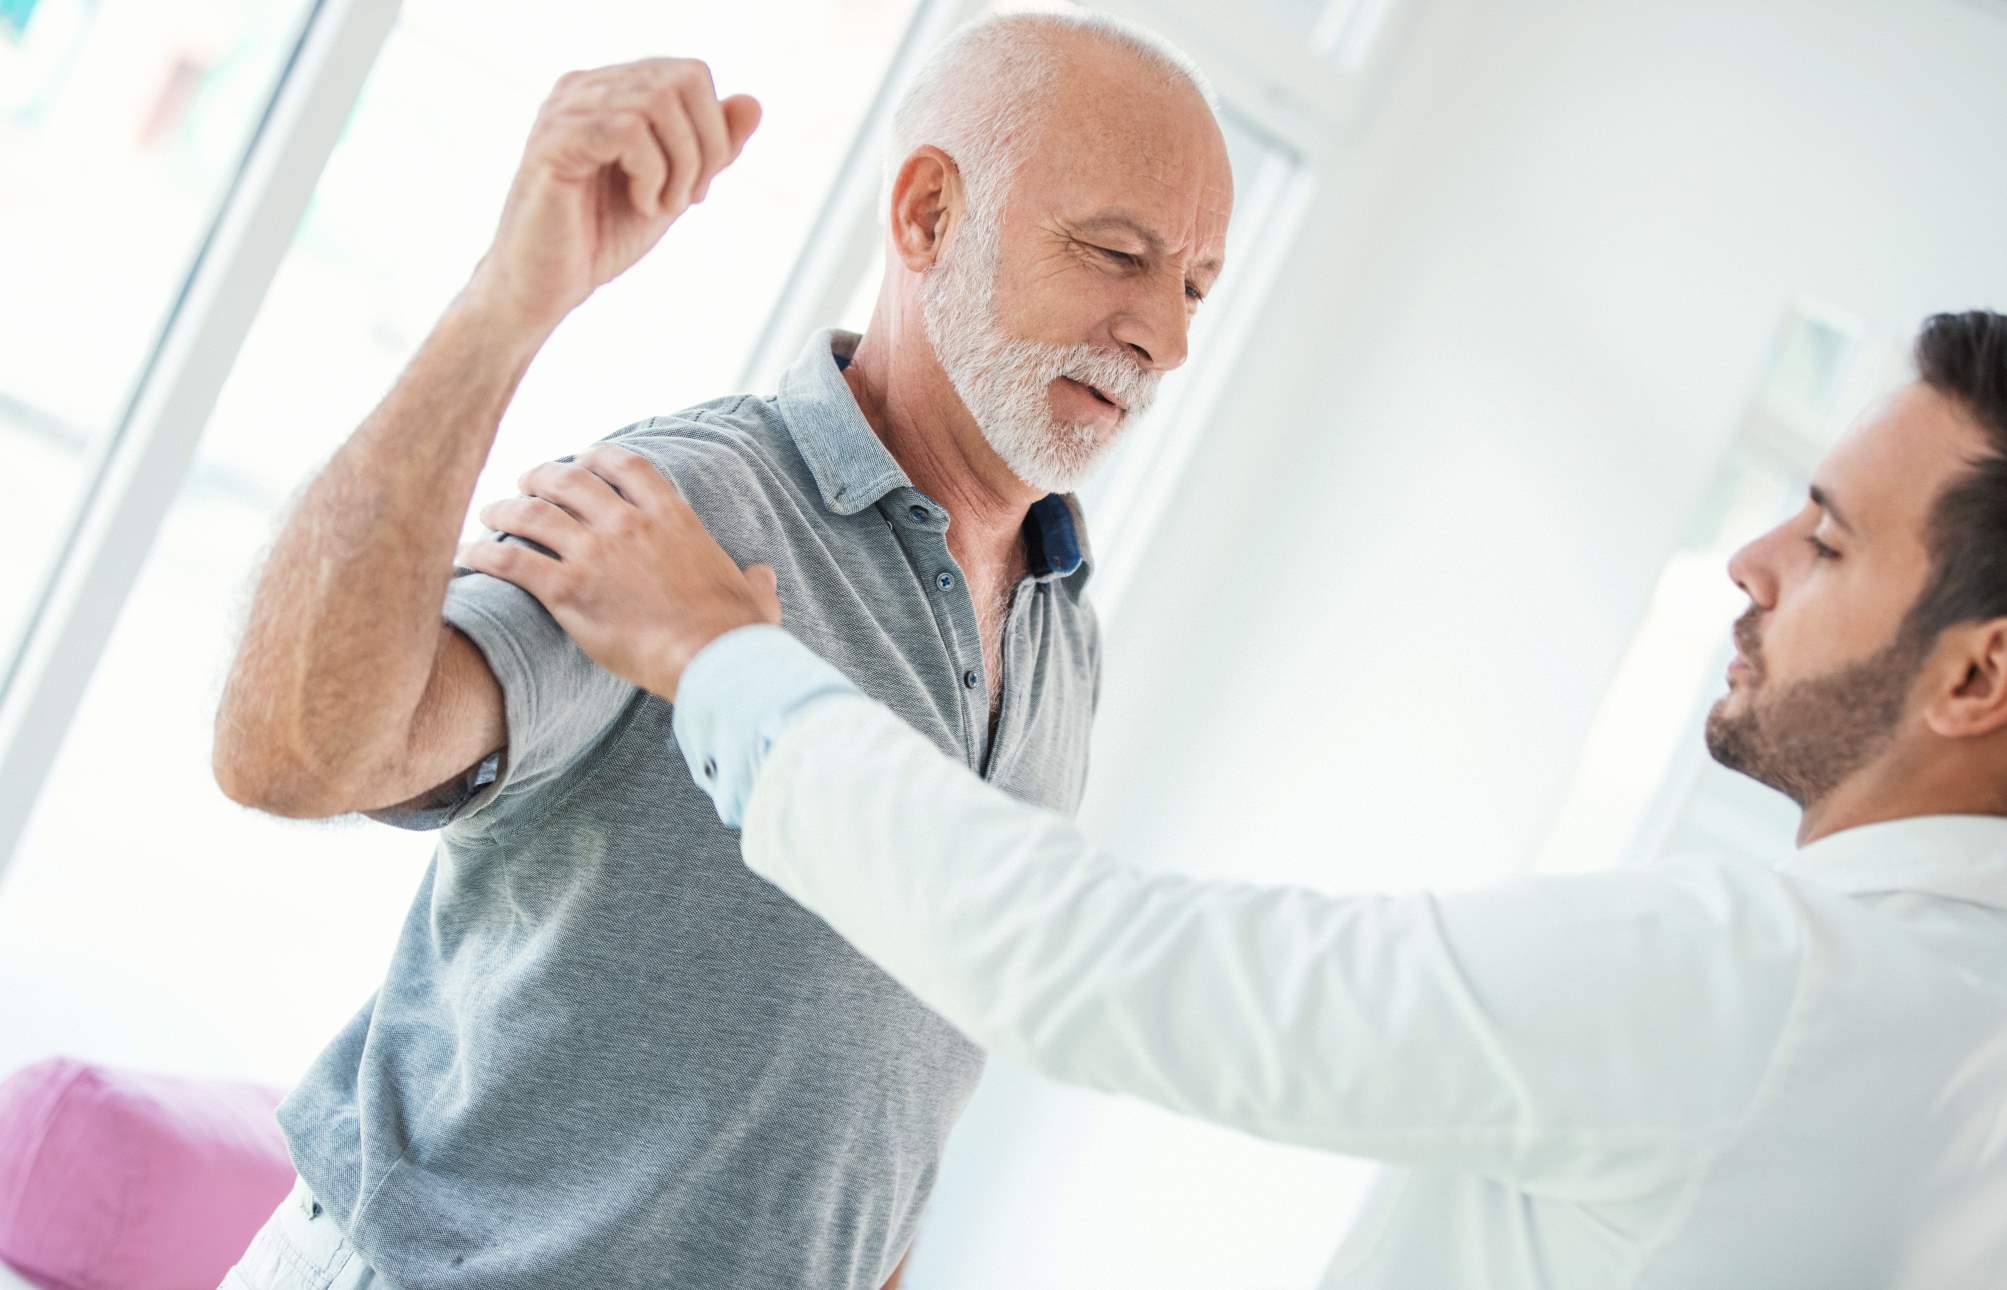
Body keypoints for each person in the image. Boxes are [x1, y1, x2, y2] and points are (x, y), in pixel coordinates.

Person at [487, 310, 2007, 1288]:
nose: (1747, 561)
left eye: (1820, 538)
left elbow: (1112, 969)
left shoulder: (1757, 985)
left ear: (1975, 673)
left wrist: (719, 656)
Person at [209, 12, 1232, 1290]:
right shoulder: (677, 510)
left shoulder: (1059, 623)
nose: (1165, 338)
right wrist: (504, 307)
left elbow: (883, 1088)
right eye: (1115, 253)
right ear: (925, 217)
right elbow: (291, 754)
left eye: (1193, 286)